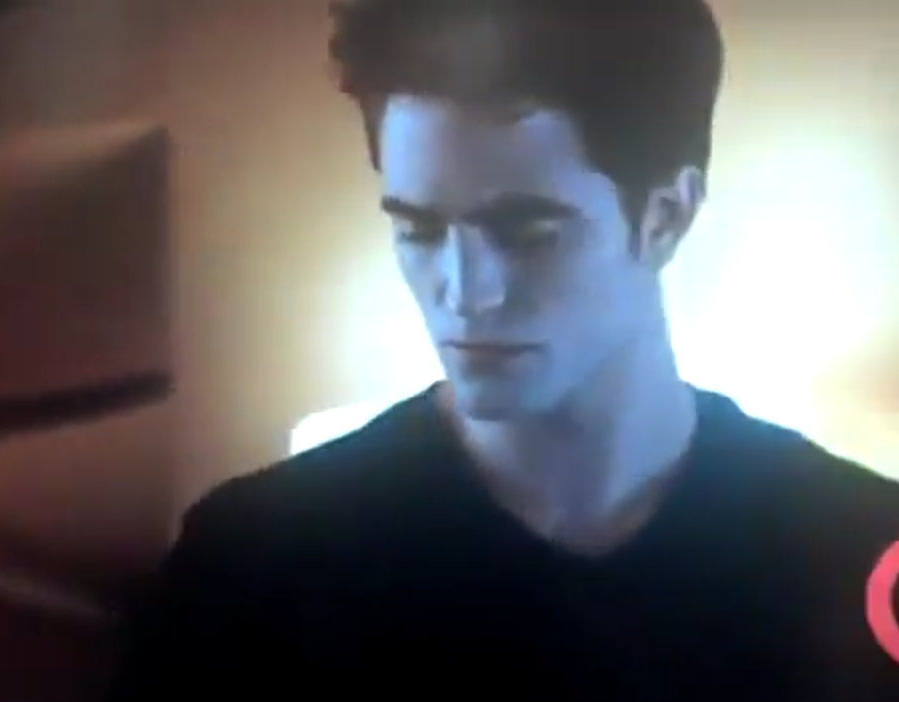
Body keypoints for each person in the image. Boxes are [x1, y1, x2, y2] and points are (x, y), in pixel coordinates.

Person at [107, 0, 899, 699]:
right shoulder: (256, 564)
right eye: (419, 230)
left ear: (664, 217)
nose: (463, 292)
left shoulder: (856, 547)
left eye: (525, 233)